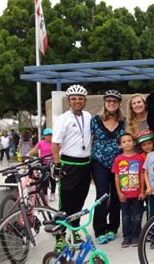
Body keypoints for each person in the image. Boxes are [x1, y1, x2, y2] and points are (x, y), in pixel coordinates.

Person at [52, 84, 92, 251]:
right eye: (74, 98)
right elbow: (55, 143)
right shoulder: (63, 119)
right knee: (65, 203)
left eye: (80, 98)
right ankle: (60, 236)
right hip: (69, 165)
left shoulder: (89, 116)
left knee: (78, 203)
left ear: (85, 101)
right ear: (69, 100)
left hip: (85, 165)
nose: (77, 101)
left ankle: (74, 231)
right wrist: (57, 165)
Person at [90, 89, 126, 245]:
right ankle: (99, 229)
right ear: (105, 103)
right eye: (109, 101)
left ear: (118, 105)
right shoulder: (95, 120)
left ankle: (113, 227)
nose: (112, 103)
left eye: (115, 101)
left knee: (117, 196)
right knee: (102, 195)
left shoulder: (123, 122)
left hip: (118, 164)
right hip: (99, 163)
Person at [111, 133, 145, 248]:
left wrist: (142, 191)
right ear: (120, 145)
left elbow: (142, 175)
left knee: (137, 215)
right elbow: (116, 177)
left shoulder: (139, 158)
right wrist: (119, 192)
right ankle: (126, 237)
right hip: (124, 194)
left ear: (134, 143)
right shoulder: (118, 159)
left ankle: (136, 236)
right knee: (125, 216)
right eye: (124, 141)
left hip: (137, 193)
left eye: (129, 140)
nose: (127, 143)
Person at [27, 128, 55, 201]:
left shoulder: (54, 143)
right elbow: (33, 151)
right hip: (43, 163)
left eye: (50, 135)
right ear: (44, 136)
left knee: (52, 179)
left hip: (52, 163)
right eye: (47, 135)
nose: (49, 136)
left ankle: (53, 193)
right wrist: (28, 155)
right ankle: (45, 195)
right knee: (44, 179)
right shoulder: (41, 143)